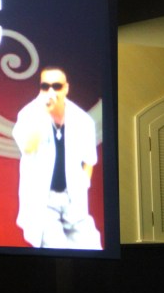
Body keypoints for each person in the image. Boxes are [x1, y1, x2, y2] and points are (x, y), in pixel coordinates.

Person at [12, 66, 102, 249]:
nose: (51, 91)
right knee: (56, 248)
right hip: (43, 201)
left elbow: (89, 160)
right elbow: (28, 147)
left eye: (57, 86)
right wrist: (44, 114)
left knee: (92, 246)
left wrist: (82, 185)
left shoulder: (82, 120)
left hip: (72, 199)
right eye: (45, 86)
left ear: (66, 88)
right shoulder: (29, 115)